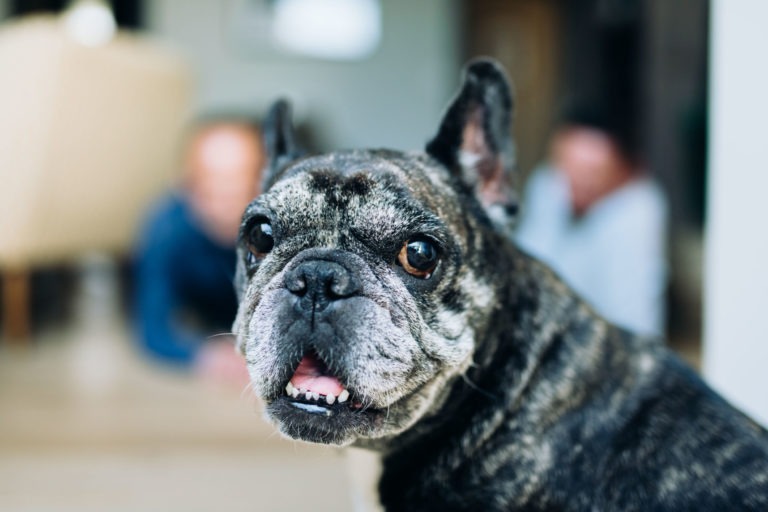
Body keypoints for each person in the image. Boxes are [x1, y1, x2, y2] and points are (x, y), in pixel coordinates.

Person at [515, 105, 668, 337]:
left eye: (594, 172)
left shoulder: (637, 209)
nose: (578, 183)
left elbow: (633, 317)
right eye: (568, 169)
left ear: (625, 171)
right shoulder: (550, 185)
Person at [133, 117, 263, 383]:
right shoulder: (166, 227)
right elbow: (152, 325)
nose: (227, 197)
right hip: (206, 320)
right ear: (184, 184)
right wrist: (202, 355)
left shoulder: (279, 228)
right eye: (212, 186)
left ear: (263, 182)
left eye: (240, 184)